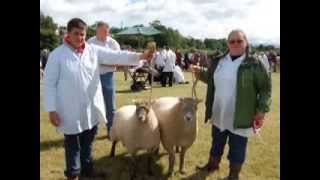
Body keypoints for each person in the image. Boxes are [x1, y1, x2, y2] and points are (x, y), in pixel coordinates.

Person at [43, 18, 153, 180]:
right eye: (76, 34)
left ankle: (87, 170)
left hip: (90, 107)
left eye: (82, 34)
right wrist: (52, 109)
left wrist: (142, 55)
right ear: (68, 33)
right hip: (69, 108)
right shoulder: (57, 55)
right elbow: (49, 84)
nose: (80, 38)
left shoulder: (92, 50)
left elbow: (117, 56)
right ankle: (73, 174)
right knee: (72, 143)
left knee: (88, 141)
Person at [192, 29, 271, 180]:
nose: (235, 44)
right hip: (219, 111)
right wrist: (199, 72)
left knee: (238, 147)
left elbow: (266, 89)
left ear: (246, 42)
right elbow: (210, 77)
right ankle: (212, 164)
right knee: (217, 142)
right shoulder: (219, 61)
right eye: (231, 41)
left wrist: (262, 110)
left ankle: (233, 174)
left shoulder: (254, 63)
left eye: (239, 41)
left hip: (242, 114)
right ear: (227, 43)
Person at [87, 21, 120, 139]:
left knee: (110, 104)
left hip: (108, 76)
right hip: (93, 77)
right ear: (97, 30)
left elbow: (119, 60)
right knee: (93, 104)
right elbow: (86, 60)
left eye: (106, 32)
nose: (105, 34)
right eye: (102, 31)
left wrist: (104, 62)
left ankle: (111, 130)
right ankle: (92, 130)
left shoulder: (113, 43)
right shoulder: (90, 42)